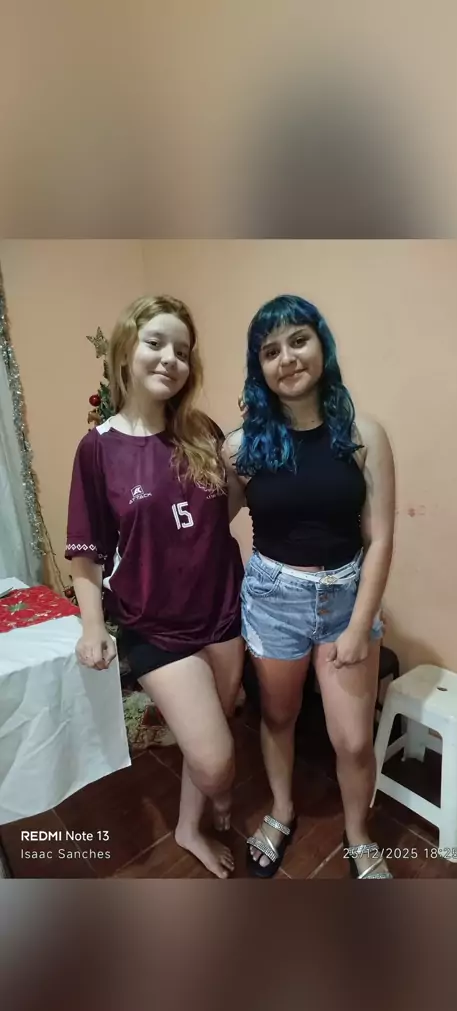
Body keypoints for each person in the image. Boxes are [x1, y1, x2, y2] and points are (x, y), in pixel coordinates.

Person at [66, 294, 245, 878]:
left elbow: (221, 513)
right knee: (216, 761)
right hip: (155, 626)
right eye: (156, 343)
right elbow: (87, 551)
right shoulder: (99, 448)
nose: (171, 358)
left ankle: (190, 826)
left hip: (223, 610)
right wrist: (93, 626)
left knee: (212, 729)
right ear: (126, 351)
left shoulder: (202, 432)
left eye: (183, 351)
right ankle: (218, 793)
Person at [224, 294, 395, 879]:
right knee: (279, 717)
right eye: (270, 351)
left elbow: (380, 539)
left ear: (322, 344)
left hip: (347, 598)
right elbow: (209, 522)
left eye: (298, 340)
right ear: (259, 368)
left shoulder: (365, 435)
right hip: (273, 600)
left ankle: (358, 834)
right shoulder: (242, 447)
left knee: (353, 741)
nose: (288, 358)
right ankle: (282, 810)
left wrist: (359, 625)